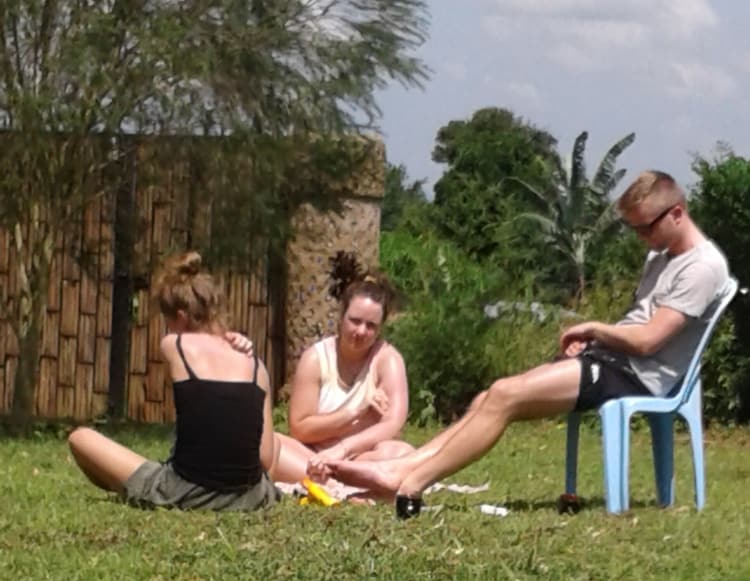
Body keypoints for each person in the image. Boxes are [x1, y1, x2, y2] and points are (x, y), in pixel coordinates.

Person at [319, 170, 731, 517]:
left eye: (645, 227)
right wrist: (591, 343)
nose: (640, 237)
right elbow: (637, 323)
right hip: (609, 362)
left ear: (677, 213)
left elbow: (648, 340)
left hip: (635, 375)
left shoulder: (703, 267)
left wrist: (593, 328)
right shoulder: (662, 255)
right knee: (488, 397)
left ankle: (411, 483)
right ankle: (404, 467)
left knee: (504, 395)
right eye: (634, 228)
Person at [68, 251, 280, 512]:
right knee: (277, 440)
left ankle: (130, 492)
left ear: (180, 317)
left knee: (80, 438)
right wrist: (228, 338)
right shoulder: (257, 366)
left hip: (186, 492)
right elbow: (266, 458)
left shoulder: (174, 345)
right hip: (251, 497)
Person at [267, 252, 413, 485]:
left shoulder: (388, 360)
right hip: (312, 457)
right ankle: (341, 481)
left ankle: (338, 479)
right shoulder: (315, 358)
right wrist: (354, 413)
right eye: (355, 321)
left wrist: (343, 450)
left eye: (371, 326)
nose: (361, 331)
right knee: (268, 441)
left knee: (402, 453)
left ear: (381, 328)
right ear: (341, 316)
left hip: (363, 457)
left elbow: (392, 424)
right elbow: (300, 429)